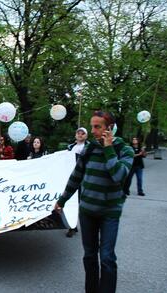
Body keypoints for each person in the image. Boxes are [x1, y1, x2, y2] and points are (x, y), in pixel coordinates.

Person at [54, 110, 134, 293]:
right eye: (92, 126)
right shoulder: (89, 148)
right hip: (87, 211)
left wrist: (108, 148)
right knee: (89, 256)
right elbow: (76, 175)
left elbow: (118, 175)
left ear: (110, 128)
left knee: (107, 258)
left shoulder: (125, 150)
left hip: (109, 213)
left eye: (98, 127)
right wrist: (62, 200)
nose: (94, 130)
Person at [65, 127, 90, 238]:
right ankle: (72, 226)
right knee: (70, 201)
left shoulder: (89, 147)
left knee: (80, 203)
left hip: (83, 179)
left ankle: (80, 226)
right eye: (78, 133)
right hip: (70, 178)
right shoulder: (70, 147)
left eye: (82, 133)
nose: (80, 135)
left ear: (86, 136)